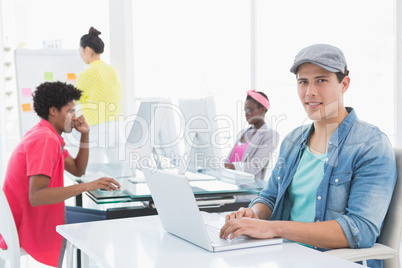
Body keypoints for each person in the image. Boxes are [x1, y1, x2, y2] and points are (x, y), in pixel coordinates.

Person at [220, 44, 396, 268]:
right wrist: (252, 215)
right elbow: (270, 197)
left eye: (321, 80)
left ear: (344, 84)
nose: (309, 92)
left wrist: (273, 228)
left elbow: (359, 229)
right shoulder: (293, 140)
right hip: (284, 257)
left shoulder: (370, 144)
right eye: (303, 82)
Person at [0, 82, 121, 267]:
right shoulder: (45, 140)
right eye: (70, 111)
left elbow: (77, 169)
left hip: (34, 216)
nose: (75, 117)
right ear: (54, 111)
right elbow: (36, 196)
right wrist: (88, 186)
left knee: (108, 221)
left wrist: (85, 135)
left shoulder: (46, 133)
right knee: (109, 225)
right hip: (31, 223)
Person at [73, 26, 122, 164]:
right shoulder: (112, 70)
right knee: (119, 169)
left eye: (81, 51)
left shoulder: (86, 74)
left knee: (93, 171)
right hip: (115, 126)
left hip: (96, 128)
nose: (81, 55)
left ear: (87, 50)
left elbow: (75, 102)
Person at [224, 90, 279, 187]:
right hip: (229, 185)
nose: (245, 114)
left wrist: (231, 166)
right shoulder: (243, 133)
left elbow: (255, 166)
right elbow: (228, 160)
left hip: (246, 191)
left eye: (249, 110)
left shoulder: (270, 135)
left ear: (262, 110)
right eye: (245, 111)